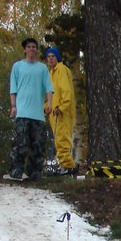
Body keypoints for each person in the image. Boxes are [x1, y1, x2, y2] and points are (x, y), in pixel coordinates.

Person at [4, 37, 53, 182]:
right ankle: (16, 171)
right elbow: (13, 88)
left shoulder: (42, 68)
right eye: (29, 47)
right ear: (25, 50)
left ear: (36, 50)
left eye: (34, 47)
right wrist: (13, 106)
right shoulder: (18, 66)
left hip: (38, 114)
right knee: (21, 144)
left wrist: (49, 104)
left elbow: (49, 88)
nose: (32, 49)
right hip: (22, 113)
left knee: (38, 145)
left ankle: (35, 173)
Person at [44, 46, 77, 175]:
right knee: (58, 139)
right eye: (48, 57)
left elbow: (66, 91)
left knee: (63, 139)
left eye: (53, 56)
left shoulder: (61, 70)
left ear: (57, 57)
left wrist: (62, 107)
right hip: (54, 112)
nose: (50, 59)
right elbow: (49, 93)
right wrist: (46, 106)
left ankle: (68, 166)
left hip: (62, 112)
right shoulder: (50, 73)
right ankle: (64, 165)